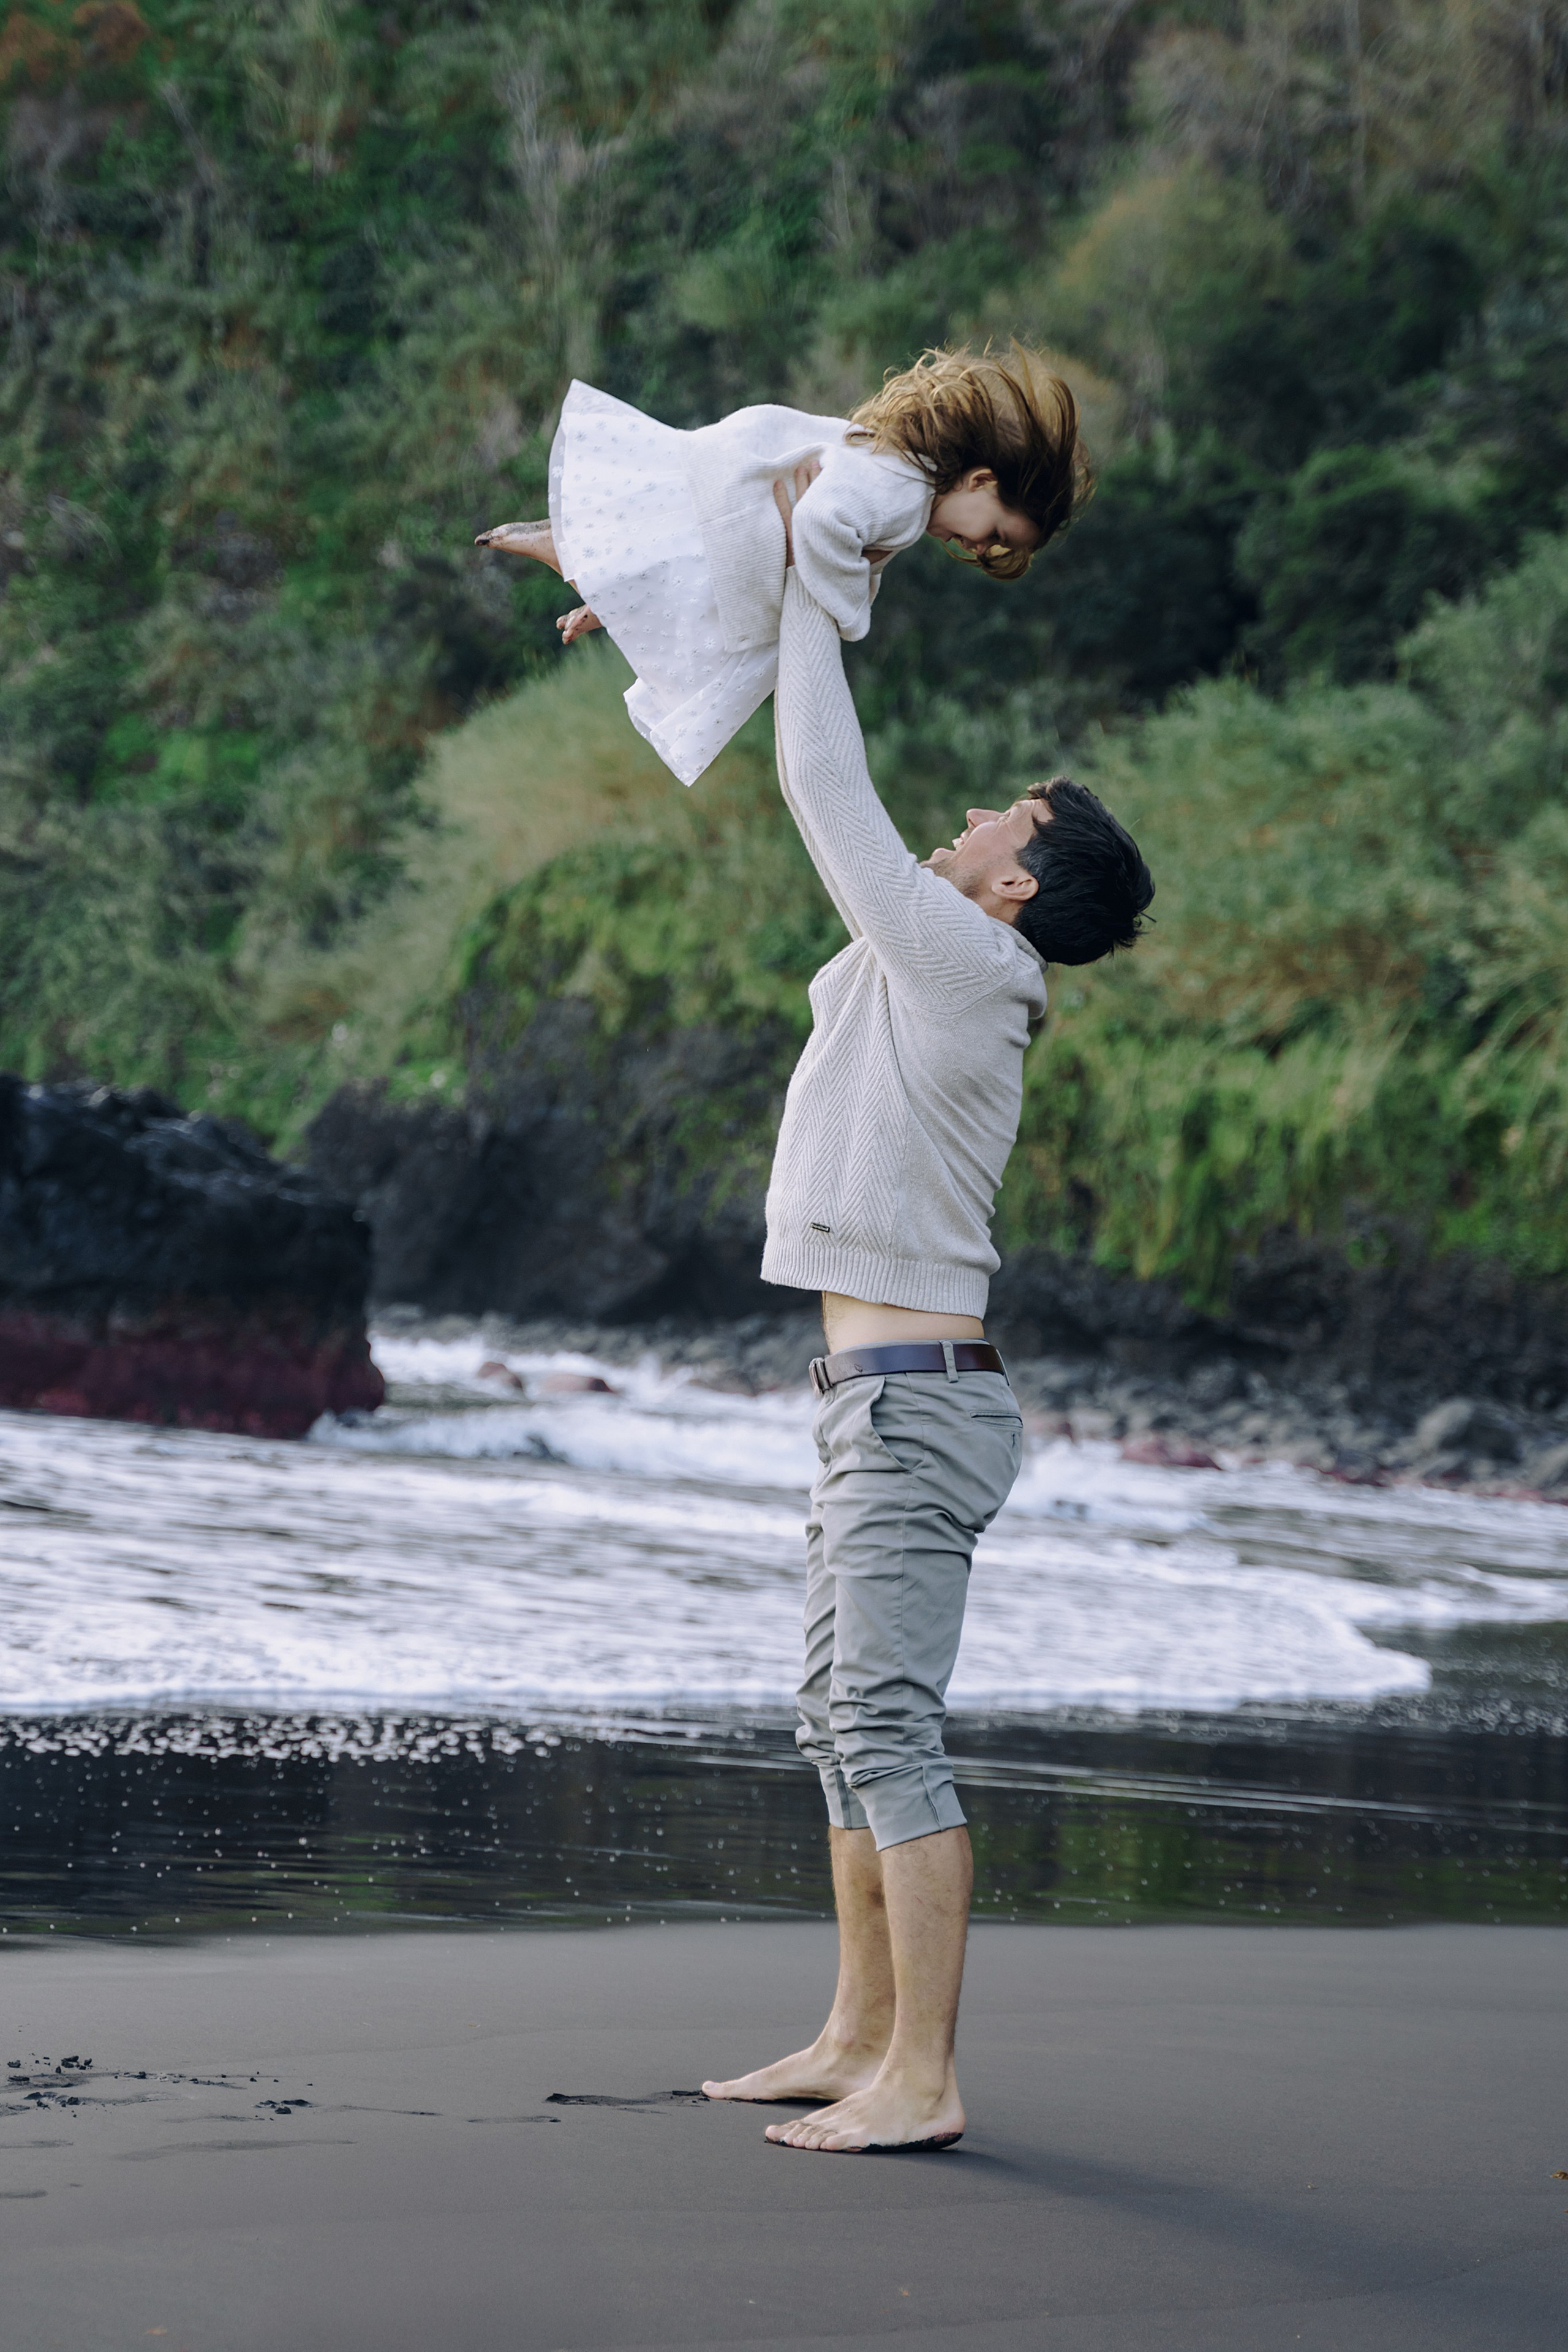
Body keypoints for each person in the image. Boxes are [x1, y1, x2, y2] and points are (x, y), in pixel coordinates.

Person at [701, 464, 1153, 2153]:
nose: (966, 821)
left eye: (998, 821)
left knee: (885, 1727)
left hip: (915, 1400)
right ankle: (856, 2032)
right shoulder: (941, 957)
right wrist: (712, 602)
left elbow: (827, 782)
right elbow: (819, 775)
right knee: (838, 1724)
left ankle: (929, 2081)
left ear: (1019, 888)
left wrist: (823, 589)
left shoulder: (977, 961)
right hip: (868, 1396)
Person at [475, 342, 1089, 785]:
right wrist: (853, 613)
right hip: (755, 507)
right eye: (994, 533)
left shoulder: (900, 462)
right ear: (981, 481)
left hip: (743, 470)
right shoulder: (908, 498)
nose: (980, 550)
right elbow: (821, 525)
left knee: (686, 561)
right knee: (765, 627)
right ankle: (582, 566)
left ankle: (589, 576)